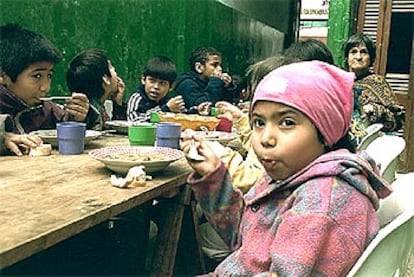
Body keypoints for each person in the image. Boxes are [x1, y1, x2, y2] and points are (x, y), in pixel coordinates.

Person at [181, 61, 392, 276]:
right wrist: (212, 176)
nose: (266, 138)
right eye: (259, 122)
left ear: (325, 130)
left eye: (287, 122)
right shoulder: (293, 175)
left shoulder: (321, 204)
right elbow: (247, 241)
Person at [0, 23, 90, 134]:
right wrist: (2, 139)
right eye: (37, 76)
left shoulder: (46, 111)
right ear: (3, 76)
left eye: (49, 76)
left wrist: (77, 118)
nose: (45, 88)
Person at [344, 33, 404, 135]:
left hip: (370, 143)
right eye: (353, 52)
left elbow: (398, 120)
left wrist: (376, 110)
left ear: (371, 58)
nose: (358, 57)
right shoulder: (341, 81)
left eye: (363, 52)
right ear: (346, 57)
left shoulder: (376, 82)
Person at [66, 48, 127, 130]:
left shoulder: (99, 106)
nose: (116, 72)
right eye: (112, 68)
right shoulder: (90, 113)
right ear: (106, 79)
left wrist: (118, 104)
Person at [174, 46, 237, 113]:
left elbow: (225, 106)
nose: (220, 69)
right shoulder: (186, 84)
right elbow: (204, 106)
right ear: (199, 67)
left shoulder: (212, 82)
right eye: (214, 65)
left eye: (220, 65)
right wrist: (215, 82)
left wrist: (227, 87)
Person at [126, 55, 185, 122]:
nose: (156, 87)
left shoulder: (169, 101)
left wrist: (195, 110)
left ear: (171, 87)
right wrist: (165, 109)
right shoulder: (137, 98)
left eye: (162, 83)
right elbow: (133, 121)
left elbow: (183, 118)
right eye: (152, 81)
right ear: (143, 80)